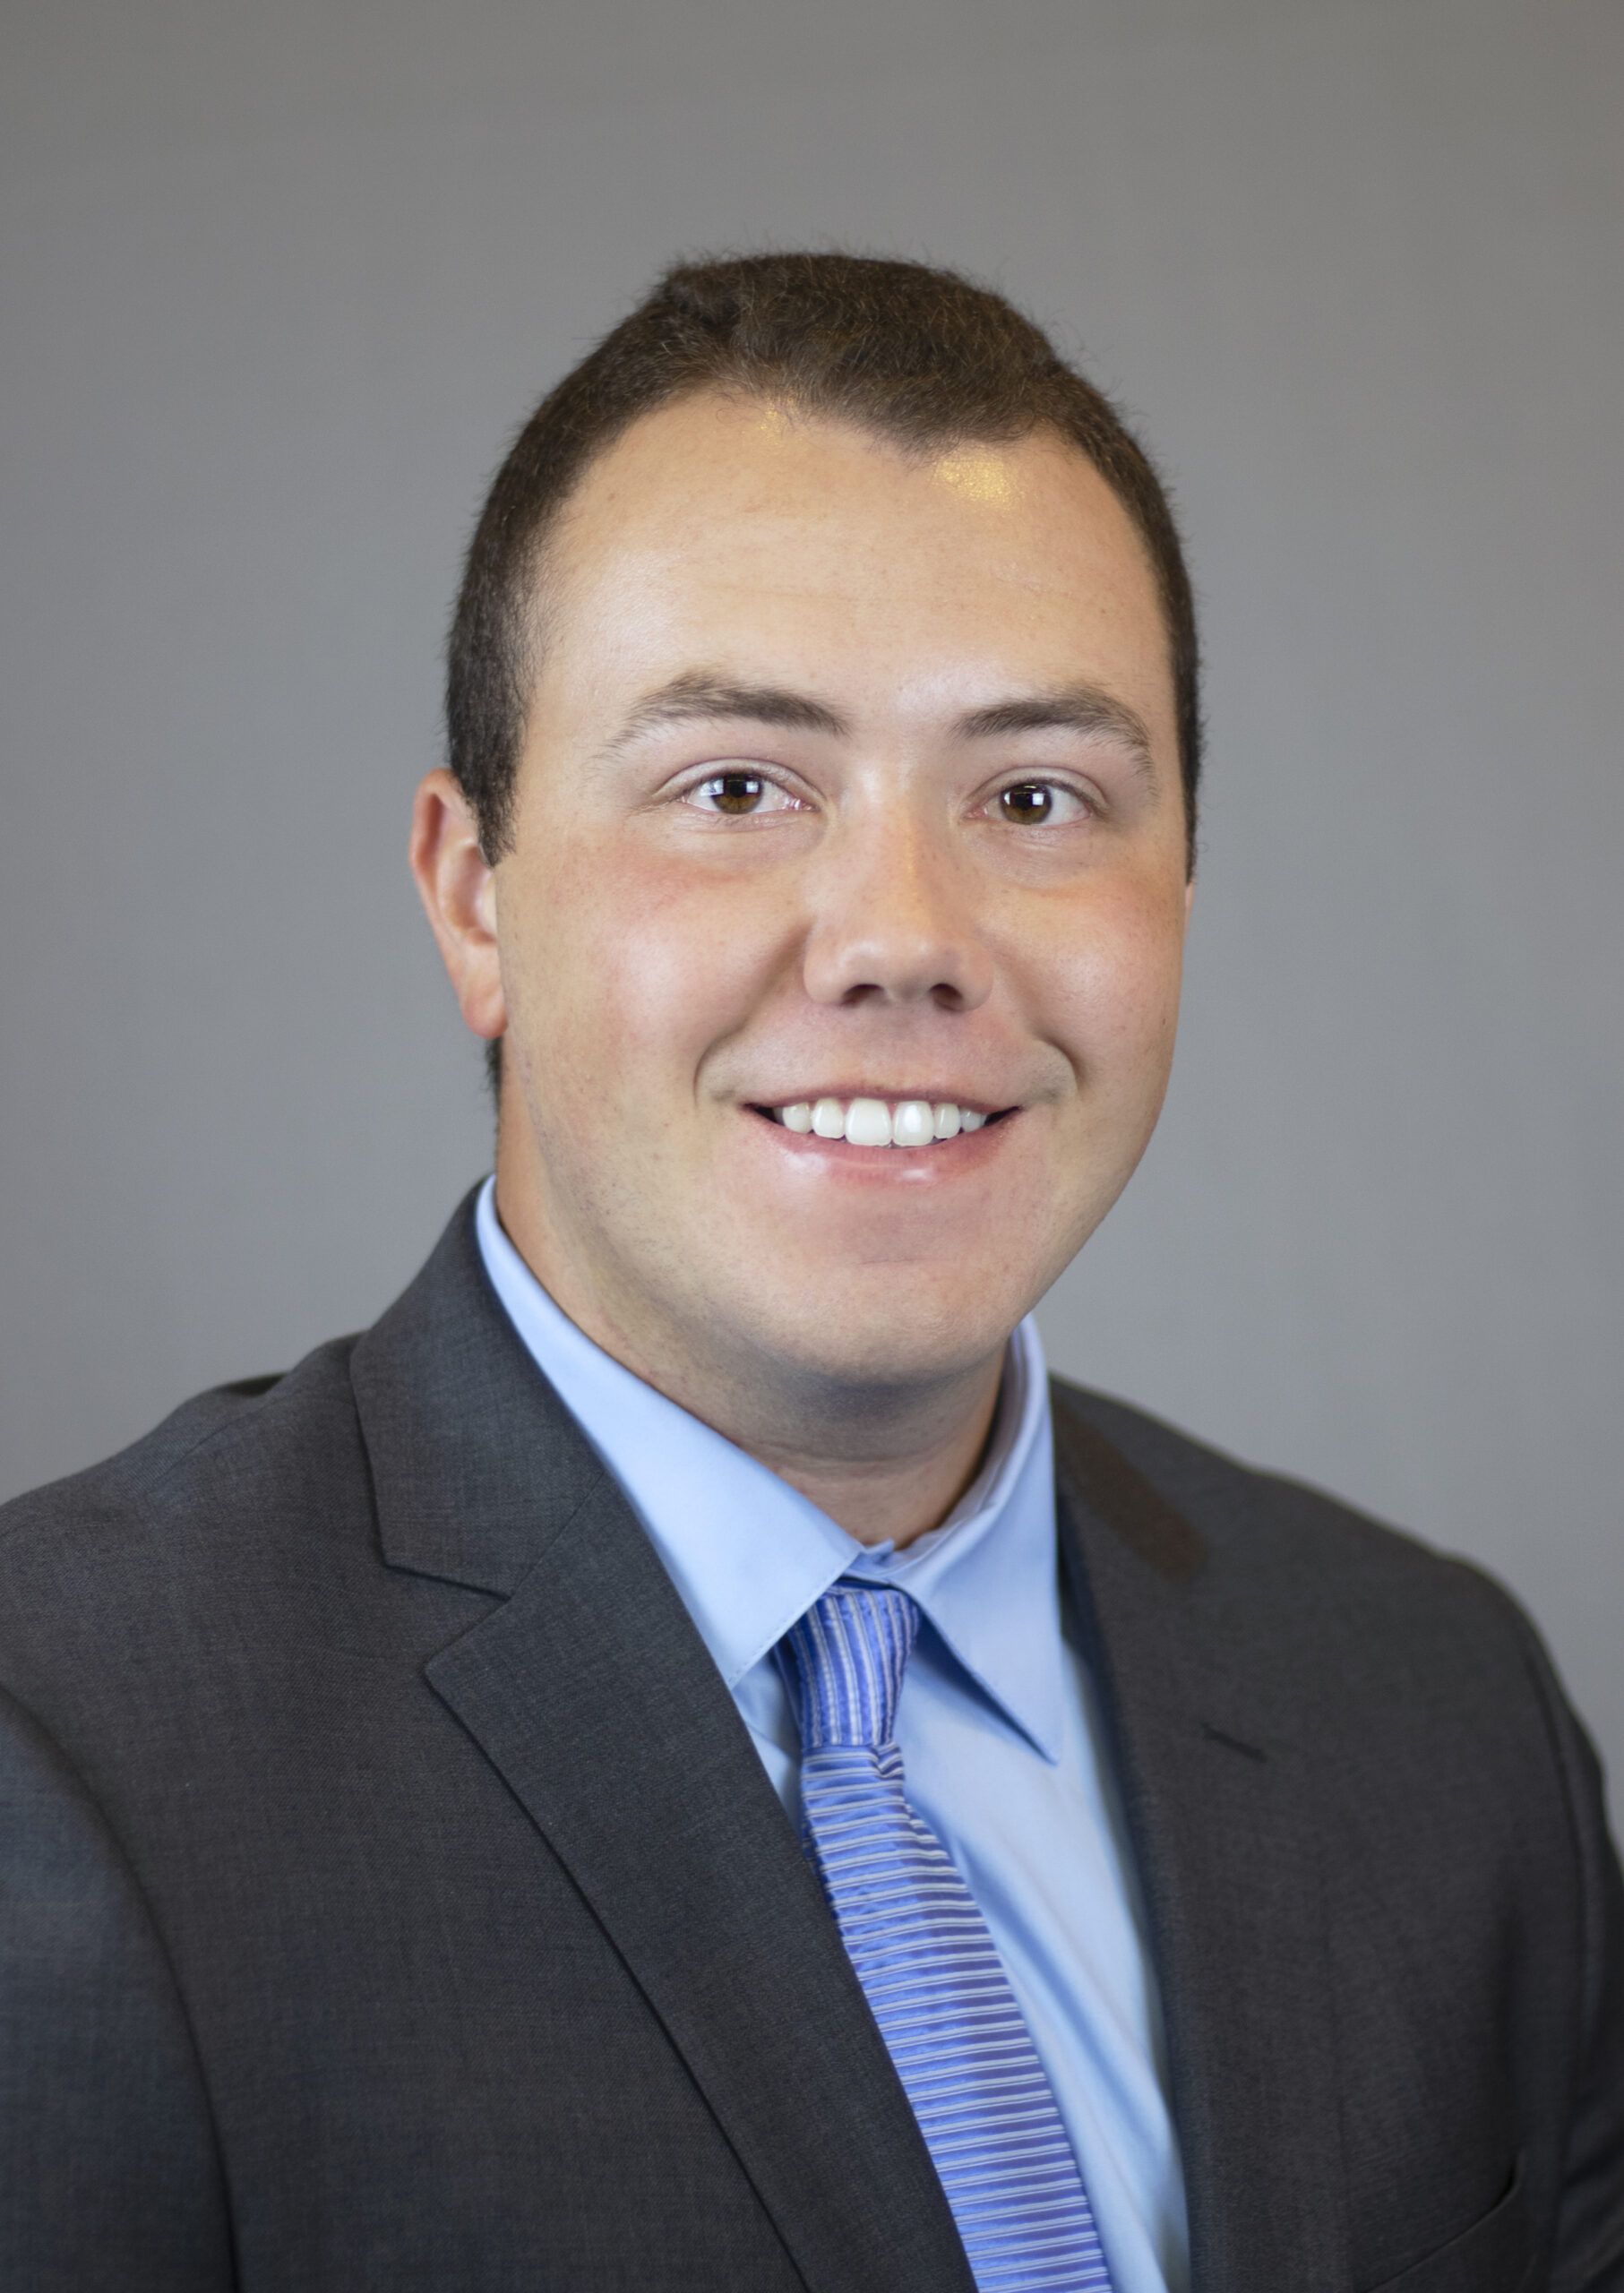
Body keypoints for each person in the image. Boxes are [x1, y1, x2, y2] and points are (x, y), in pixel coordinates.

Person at [0, 251, 1618, 2293]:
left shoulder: (1440, 1709)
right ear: (472, 891)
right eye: (739, 787)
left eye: (1036, 795)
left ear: (1181, 882)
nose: (901, 934)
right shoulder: (64, 1763)